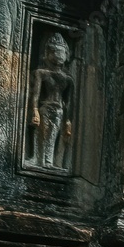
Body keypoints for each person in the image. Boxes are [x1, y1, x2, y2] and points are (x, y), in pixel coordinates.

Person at [30, 33, 74, 169]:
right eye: (55, 51)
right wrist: (35, 111)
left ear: (67, 55)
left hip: (59, 110)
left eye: (61, 52)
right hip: (45, 107)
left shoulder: (68, 79)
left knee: (53, 135)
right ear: (48, 53)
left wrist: (68, 121)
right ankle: (38, 159)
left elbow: (68, 102)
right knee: (40, 133)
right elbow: (35, 95)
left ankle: (48, 161)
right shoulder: (41, 73)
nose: (58, 55)